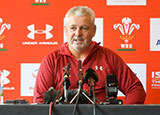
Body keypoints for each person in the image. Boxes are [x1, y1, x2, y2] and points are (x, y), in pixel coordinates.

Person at [33, 6, 146, 104]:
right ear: (65, 31)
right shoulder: (52, 60)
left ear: (94, 31)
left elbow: (135, 89)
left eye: (84, 28)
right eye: (73, 28)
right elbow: (40, 100)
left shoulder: (109, 57)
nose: (78, 33)